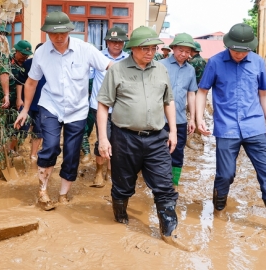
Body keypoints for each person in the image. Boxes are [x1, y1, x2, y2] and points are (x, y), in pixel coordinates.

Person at [195, 23, 266, 245]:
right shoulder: (214, 63)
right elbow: (202, 91)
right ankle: (219, 207)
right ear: (228, 46)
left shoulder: (258, 61)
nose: (240, 54)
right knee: (225, 174)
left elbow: (264, 93)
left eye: (244, 51)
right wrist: (199, 118)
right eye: (236, 51)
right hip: (226, 128)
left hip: (255, 127)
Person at [97, 26, 195, 251]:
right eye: (145, 48)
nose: (150, 52)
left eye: (153, 48)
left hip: (156, 138)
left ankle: (169, 231)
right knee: (122, 185)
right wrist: (104, 138)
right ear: (133, 49)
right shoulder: (117, 70)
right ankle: (120, 218)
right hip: (124, 137)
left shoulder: (161, 70)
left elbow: (168, 101)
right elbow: (103, 106)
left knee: (164, 185)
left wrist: (172, 131)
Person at [13, 11, 113, 211]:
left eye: (63, 33)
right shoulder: (41, 53)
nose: (58, 37)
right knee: (49, 147)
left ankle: (63, 194)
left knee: (71, 154)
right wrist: (24, 110)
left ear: (70, 31)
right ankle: (43, 191)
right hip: (50, 105)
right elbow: (31, 82)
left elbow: (111, 67)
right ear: (47, 33)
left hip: (77, 110)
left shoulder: (85, 49)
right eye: (53, 33)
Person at [89, 26, 129, 188]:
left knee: (117, 141)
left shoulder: (129, 59)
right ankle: (99, 171)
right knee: (102, 139)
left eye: (120, 42)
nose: (117, 45)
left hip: (121, 108)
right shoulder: (98, 57)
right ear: (107, 42)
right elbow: (88, 76)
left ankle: (111, 172)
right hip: (100, 107)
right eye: (113, 42)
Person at [159, 33, 198, 189]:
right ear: (173, 48)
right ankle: (159, 182)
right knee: (158, 152)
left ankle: (173, 185)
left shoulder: (191, 70)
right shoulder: (160, 65)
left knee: (177, 152)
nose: (184, 54)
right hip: (159, 119)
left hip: (180, 119)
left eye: (187, 51)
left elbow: (191, 94)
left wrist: (193, 118)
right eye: (181, 50)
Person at [16, 43, 45, 161]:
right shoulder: (28, 64)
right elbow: (20, 82)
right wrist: (19, 98)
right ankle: (14, 151)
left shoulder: (52, 65)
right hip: (27, 104)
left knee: (39, 131)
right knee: (20, 128)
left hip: (43, 105)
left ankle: (33, 154)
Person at [9, 40, 33, 153]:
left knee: (23, 127)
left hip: (21, 102)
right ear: (17, 51)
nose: (25, 57)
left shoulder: (27, 64)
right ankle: (8, 150)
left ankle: (15, 149)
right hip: (7, 101)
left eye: (27, 55)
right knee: (9, 127)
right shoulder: (7, 61)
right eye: (23, 54)